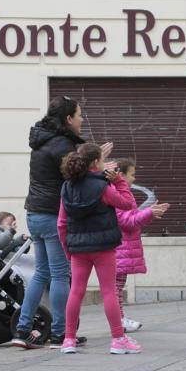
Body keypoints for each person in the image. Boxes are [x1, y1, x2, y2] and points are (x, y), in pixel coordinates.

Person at [13, 96, 108, 349]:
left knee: (41, 272)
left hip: (33, 213)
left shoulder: (41, 140)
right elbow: (76, 176)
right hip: (52, 215)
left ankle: (22, 329)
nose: (81, 120)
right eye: (78, 115)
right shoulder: (62, 144)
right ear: (68, 119)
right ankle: (59, 333)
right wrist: (97, 165)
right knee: (59, 274)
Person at [57, 143, 140, 354]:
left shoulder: (67, 187)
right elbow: (127, 203)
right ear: (95, 162)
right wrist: (119, 180)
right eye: (102, 160)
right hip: (103, 248)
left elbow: (61, 223)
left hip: (77, 249)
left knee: (76, 291)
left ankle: (68, 340)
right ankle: (118, 340)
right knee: (109, 291)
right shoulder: (103, 187)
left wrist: (68, 249)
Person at [114, 158, 170, 332]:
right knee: (115, 288)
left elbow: (132, 216)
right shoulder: (117, 193)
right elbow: (125, 220)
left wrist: (150, 214)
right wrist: (148, 213)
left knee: (117, 287)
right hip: (119, 247)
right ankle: (118, 321)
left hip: (122, 247)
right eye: (132, 175)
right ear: (121, 175)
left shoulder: (124, 193)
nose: (134, 179)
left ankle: (120, 319)